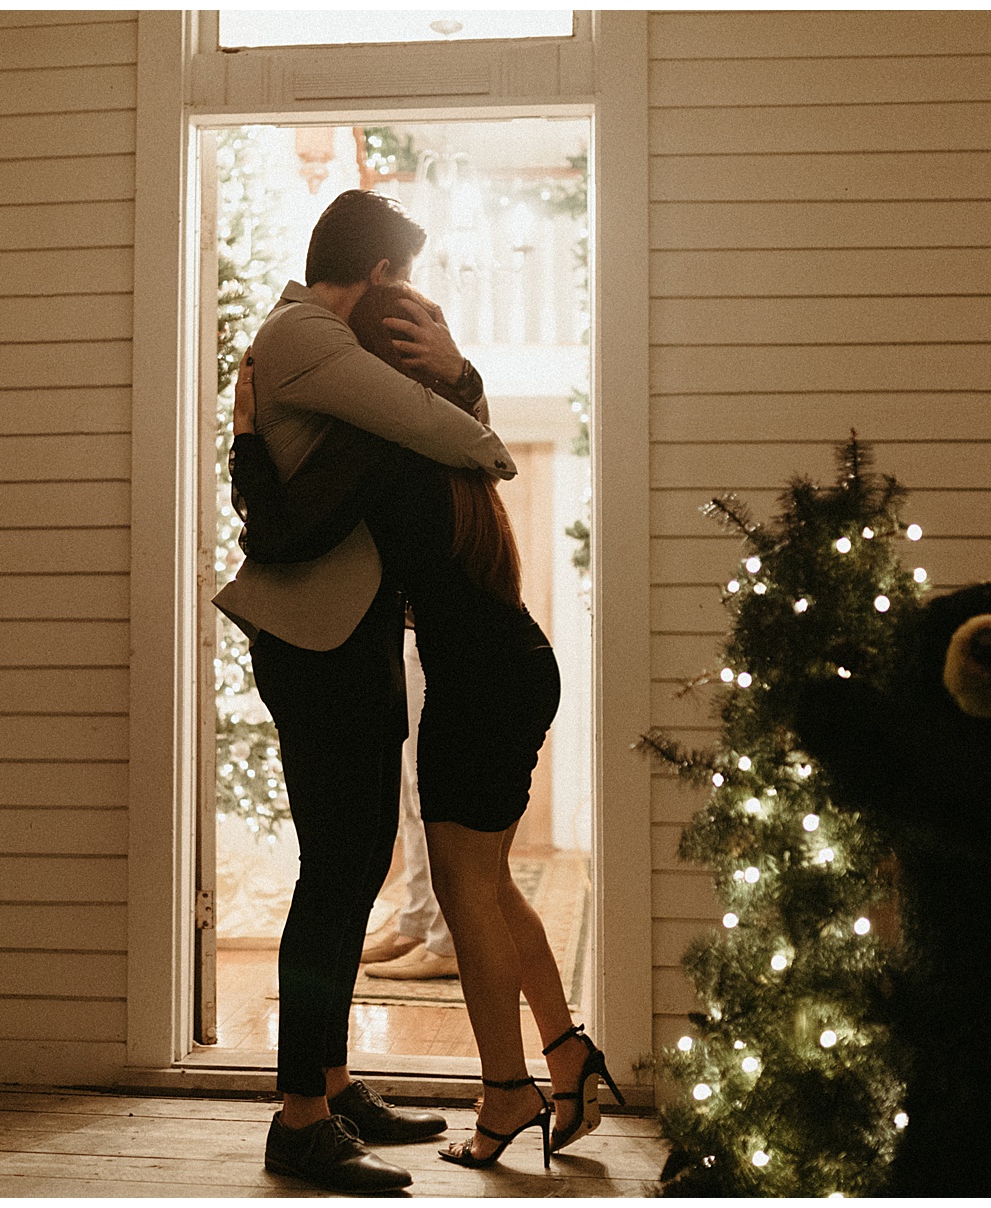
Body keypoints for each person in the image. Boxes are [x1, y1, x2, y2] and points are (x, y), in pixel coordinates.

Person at [229, 280, 624, 1171]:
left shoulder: (385, 444)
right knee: (489, 882)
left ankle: (506, 1095)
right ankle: (565, 1053)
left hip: (479, 685)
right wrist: (460, 371)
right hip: (515, 666)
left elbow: (283, 534)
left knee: (467, 892)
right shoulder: (446, 434)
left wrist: (249, 442)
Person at [212, 190, 517, 1195]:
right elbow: (470, 443)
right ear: (380, 277)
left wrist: (451, 378)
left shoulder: (308, 345)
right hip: (318, 643)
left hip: (345, 638)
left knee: (350, 864)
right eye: (405, 287)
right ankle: (300, 1119)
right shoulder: (304, 334)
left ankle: (332, 1086)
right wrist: (452, 374)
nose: (410, 309)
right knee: (336, 872)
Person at [361, 627, 461, 981]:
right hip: (409, 633)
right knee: (411, 796)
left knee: (430, 793)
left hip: (438, 634)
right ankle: (417, 923)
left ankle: (445, 942)